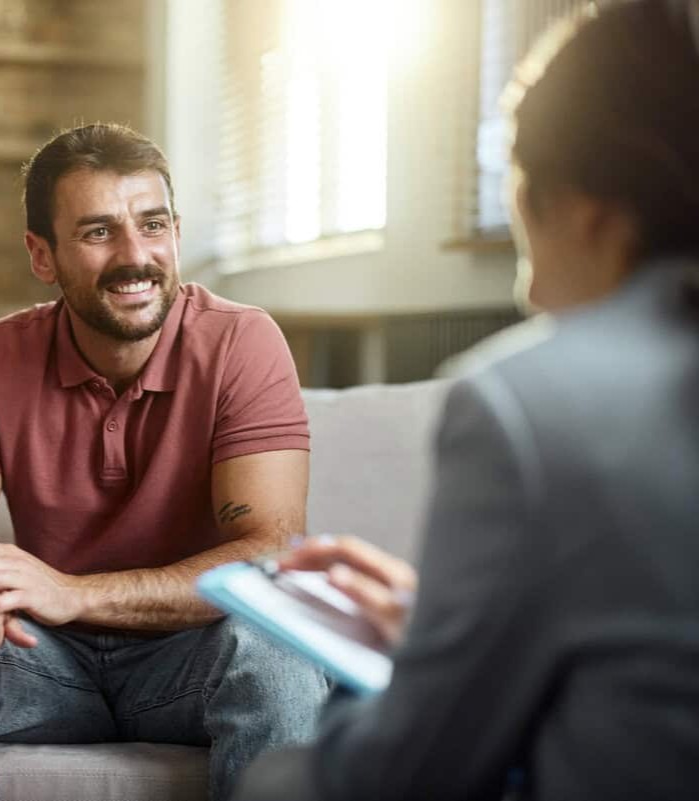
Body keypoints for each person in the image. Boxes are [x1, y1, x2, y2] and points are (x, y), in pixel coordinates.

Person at [232, 2, 699, 800]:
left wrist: (400, 671)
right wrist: (447, 620)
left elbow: (404, 772)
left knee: (281, 778)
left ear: (578, 205)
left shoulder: (523, 402)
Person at [0, 123, 328, 801]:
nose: (134, 255)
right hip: (45, 662)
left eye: (151, 225)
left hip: (192, 654)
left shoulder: (241, 340)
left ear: (175, 231)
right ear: (41, 255)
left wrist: (70, 590)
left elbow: (266, 552)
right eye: (96, 232)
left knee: (281, 650)